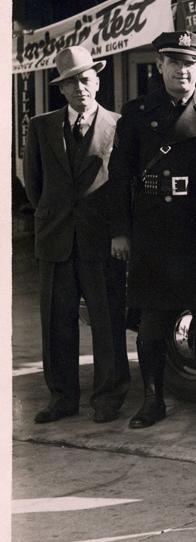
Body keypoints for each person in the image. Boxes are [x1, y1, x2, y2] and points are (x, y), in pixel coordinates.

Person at [108, 31, 196, 428]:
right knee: (152, 323)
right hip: (153, 232)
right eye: (174, 62)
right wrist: (121, 232)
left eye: (190, 63)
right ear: (160, 65)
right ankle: (153, 400)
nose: (183, 70)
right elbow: (118, 177)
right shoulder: (138, 113)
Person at [23, 45, 130, 423]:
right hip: (55, 240)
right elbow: (33, 185)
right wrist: (53, 218)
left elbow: (122, 187)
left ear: (97, 81)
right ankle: (62, 399)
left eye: (85, 79)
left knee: (107, 322)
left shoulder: (118, 125)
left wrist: (120, 232)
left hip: (101, 242)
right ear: (61, 89)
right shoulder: (41, 126)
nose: (79, 88)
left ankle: (108, 398)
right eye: (70, 83)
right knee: (57, 324)